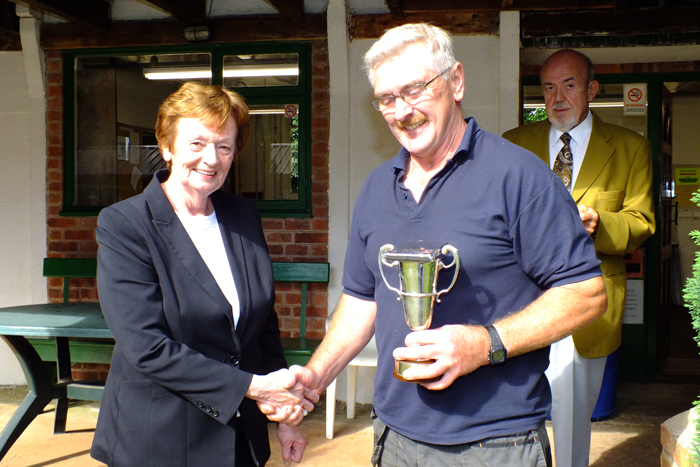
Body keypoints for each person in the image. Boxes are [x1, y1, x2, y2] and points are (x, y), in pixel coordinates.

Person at [291, 23, 606, 467]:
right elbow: (362, 301)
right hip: (393, 436)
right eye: (387, 99)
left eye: (416, 89)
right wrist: (313, 378)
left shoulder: (518, 176)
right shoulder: (376, 189)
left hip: (496, 444)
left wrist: (484, 343)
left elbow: (587, 294)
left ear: (455, 82)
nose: (403, 111)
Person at [91, 82, 318, 467]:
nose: (211, 158)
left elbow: (262, 324)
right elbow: (147, 346)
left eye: (224, 146)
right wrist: (254, 388)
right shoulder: (124, 224)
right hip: (159, 440)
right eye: (196, 143)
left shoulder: (242, 215)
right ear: (167, 147)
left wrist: (282, 416)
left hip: (240, 439)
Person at [503, 49, 655, 467]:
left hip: (587, 299)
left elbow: (641, 222)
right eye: (548, 88)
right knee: (508, 410)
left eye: (569, 85)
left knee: (571, 416)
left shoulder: (630, 148)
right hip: (516, 299)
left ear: (591, 89)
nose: (557, 97)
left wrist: (598, 222)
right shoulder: (513, 145)